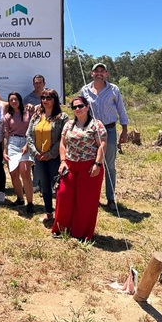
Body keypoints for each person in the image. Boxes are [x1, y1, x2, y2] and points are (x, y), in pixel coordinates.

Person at [52, 96, 107, 241]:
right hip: (70, 165)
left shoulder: (96, 125)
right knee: (64, 195)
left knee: (85, 200)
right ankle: (61, 228)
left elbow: (102, 145)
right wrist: (62, 161)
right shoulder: (69, 124)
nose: (77, 109)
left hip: (89, 166)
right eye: (74, 107)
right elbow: (62, 144)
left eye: (80, 106)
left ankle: (81, 232)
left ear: (87, 107)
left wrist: (97, 164)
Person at [80, 63, 129, 212]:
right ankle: (91, 197)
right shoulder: (85, 90)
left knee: (109, 165)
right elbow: (80, 109)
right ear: (92, 73)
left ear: (106, 74)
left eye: (102, 71)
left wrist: (125, 130)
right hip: (91, 131)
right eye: (96, 71)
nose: (99, 73)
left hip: (109, 130)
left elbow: (121, 109)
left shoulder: (114, 89)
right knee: (91, 163)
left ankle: (110, 198)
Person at [27, 88, 68, 222]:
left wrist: (50, 154)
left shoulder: (62, 117)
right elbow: (29, 135)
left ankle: (62, 213)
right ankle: (48, 212)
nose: (45, 100)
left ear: (54, 100)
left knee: (58, 186)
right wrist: (35, 153)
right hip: (39, 157)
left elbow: (63, 139)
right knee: (45, 186)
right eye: (43, 98)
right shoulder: (36, 115)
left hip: (55, 157)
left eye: (48, 98)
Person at [3, 92, 35, 213]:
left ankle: (30, 202)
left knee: (25, 172)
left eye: (15, 99)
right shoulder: (7, 116)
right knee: (14, 174)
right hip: (12, 143)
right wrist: (4, 150)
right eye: (11, 100)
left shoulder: (28, 112)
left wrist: (27, 145)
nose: (13, 102)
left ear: (20, 100)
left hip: (26, 141)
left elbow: (32, 130)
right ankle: (20, 198)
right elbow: (6, 135)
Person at [23, 74, 46, 194]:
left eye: (40, 82)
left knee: (46, 157)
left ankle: (45, 183)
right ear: (33, 84)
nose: (38, 85)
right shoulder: (27, 98)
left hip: (47, 130)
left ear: (44, 84)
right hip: (34, 131)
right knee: (35, 158)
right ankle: (37, 183)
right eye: (36, 83)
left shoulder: (49, 95)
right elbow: (23, 114)